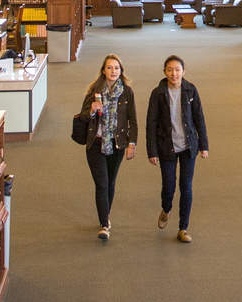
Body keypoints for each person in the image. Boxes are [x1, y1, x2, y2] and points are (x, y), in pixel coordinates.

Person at [145, 55, 208, 243]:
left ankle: (183, 227)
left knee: (186, 187)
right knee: (169, 187)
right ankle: (166, 208)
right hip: (167, 147)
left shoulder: (190, 90)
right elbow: (151, 123)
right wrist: (152, 151)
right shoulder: (158, 93)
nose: (174, 73)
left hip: (188, 146)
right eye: (170, 70)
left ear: (183, 72)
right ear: (165, 72)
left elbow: (199, 118)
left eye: (177, 70)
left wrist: (204, 145)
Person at [79, 54, 138, 241]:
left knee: (111, 183)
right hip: (95, 144)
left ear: (121, 71)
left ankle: (106, 215)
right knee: (102, 183)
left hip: (117, 143)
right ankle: (104, 224)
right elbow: (82, 118)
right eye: (109, 68)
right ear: (103, 70)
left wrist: (132, 143)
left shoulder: (127, 92)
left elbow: (133, 120)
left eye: (116, 68)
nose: (113, 71)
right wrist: (91, 110)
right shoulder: (94, 91)